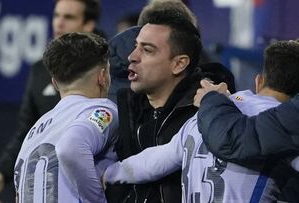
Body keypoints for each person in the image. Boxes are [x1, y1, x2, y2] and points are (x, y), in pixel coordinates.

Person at [103, 40, 299, 202]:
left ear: (259, 81)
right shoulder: (287, 132)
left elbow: (153, 162)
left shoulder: (205, 114)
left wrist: (110, 173)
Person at [105, 6, 235, 202]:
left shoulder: (208, 116)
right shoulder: (123, 108)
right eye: (135, 46)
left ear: (179, 64)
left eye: (147, 50)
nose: (132, 56)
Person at [0, 0, 101, 202]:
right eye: (56, 15)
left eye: (68, 17)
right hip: (47, 186)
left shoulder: (109, 64)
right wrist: (1, 172)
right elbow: (26, 130)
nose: (59, 23)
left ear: (89, 24)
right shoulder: (41, 69)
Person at [14, 32, 118, 202]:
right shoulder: (101, 110)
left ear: (54, 83)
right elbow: (71, 148)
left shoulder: (35, 129)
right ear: (102, 77)